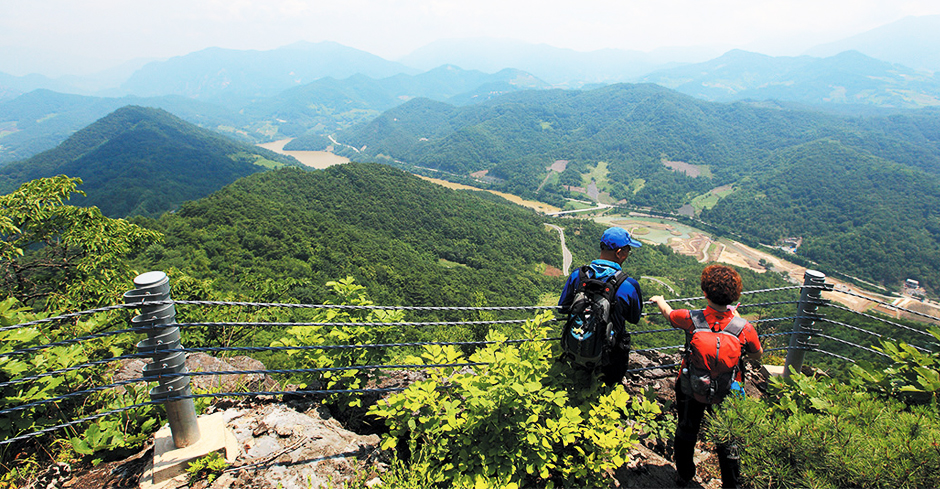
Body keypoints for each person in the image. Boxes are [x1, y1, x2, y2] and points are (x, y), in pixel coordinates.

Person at [650, 264, 762, 488]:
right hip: (729, 390)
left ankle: (684, 474)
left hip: (691, 386)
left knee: (686, 428)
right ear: (734, 296)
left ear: (704, 292)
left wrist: (660, 300)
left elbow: (669, 314)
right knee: (728, 437)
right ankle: (731, 483)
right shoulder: (743, 327)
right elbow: (757, 354)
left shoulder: (691, 318)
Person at [558, 226, 643, 386]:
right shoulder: (629, 285)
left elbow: (562, 308)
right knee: (607, 392)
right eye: (628, 250)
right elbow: (634, 318)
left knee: (575, 390)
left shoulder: (578, 275)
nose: (627, 254)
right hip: (611, 357)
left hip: (577, 349)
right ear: (619, 253)